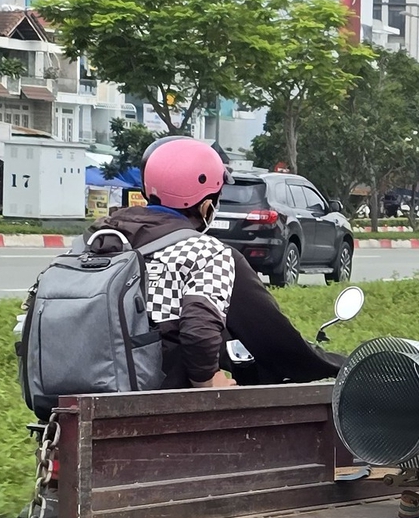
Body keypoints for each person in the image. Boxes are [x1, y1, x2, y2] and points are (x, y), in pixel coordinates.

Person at [86, 135, 340, 390]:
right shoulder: (206, 253)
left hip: (71, 392)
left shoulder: (94, 242)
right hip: (158, 407)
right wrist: (207, 380)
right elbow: (272, 340)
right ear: (207, 206)